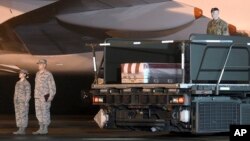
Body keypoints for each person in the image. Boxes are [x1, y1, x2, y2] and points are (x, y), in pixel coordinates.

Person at [33, 59, 56, 135]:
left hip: (45, 96)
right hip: (37, 96)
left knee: (45, 112)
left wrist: (50, 96)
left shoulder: (48, 74)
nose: (38, 65)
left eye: (40, 64)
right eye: (38, 64)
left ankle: (45, 128)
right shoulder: (37, 74)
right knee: (38, 113)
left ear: (44, 65)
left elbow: (52, 86)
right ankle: (40, 128)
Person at [13, 69, 31, 135]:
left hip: (23, 102)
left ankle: (23, 129)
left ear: (24, 74)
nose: (19, 74)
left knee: (23, 115)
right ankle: (19, 128)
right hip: (17, 102)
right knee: (18, 115)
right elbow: (15, 92)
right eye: (19, 73)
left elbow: (28, 93)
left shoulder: (26, 83)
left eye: (21, 73)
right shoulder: (17, 82)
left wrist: (26, 102)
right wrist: (14, 100)